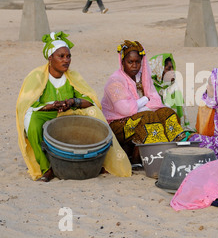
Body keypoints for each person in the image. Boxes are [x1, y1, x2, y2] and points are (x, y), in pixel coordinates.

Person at [16, 32, 132, 182]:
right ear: (50, 58)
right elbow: (26, 104)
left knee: (93, 112)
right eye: (61, 56)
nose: (66, 60)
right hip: (47, 112)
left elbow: (89, 99)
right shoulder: (37, 76)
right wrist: (49, 106)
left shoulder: (72, 76)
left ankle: (98, 160)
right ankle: (46, 168)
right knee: (30, 121)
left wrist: (72, 102)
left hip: (68, 111)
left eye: (68, 56)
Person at [101, 41, 187, 165]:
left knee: (167, 113)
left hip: (137, 117)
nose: (134, 66)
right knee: (148, 117)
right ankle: (156, 156)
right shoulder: (115, 81)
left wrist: (142, 104)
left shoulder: (142, 77)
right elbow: (126, 110)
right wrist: (145, 100)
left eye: (137, 62)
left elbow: (156, 101)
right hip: (117, 125)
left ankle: (176, 149)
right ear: (123, 62)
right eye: (130, 62)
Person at [148, 53, 193, 131]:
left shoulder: (174, 87)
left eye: (172, 68)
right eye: (168, 69)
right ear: (158, 71)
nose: (172, 71)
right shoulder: (149, 89)